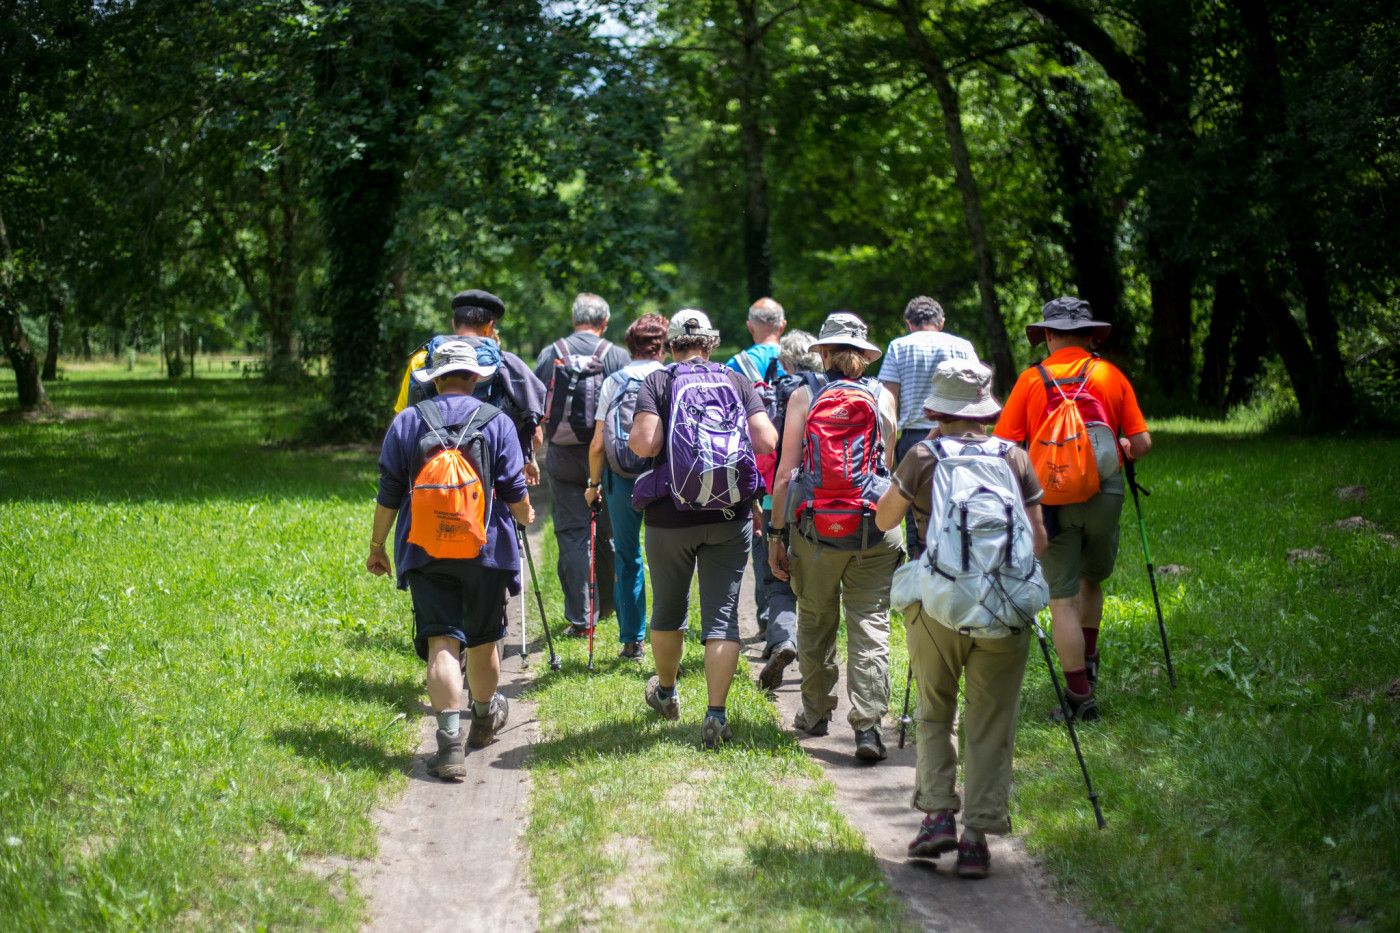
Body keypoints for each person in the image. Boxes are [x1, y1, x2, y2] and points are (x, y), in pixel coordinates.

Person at [874, 359, 1047, 879]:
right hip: (1007, 610)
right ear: (985, 410)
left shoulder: (924, 455)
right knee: (991, 722)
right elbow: (1038, 540)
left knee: (934, 711)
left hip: (939, 606)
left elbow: (884, 518)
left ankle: (937, 818)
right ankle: (976, 838)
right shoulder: (1014, 456)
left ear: (933, 410)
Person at [367, 338, 536, 779]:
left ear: (435, 378)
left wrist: (377, 546)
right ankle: (482, 716)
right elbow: (515, 491)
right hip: (486, 549)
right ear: (476, 378)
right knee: (483, 640)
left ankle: (448, 747)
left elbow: (388, 491)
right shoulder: (497, 421)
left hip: (424, 548)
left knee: (442, 641)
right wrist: (527, 515)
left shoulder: (407, 422)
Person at [993, 297, 1151, 721]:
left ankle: (1080, 698)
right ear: (1090, 336)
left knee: (1060, 600)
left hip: (1052, 500)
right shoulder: (1109, 375)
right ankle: (1091, 656)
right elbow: (1141, 444)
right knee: (1091, 580)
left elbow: (1004, 448)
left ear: (1047, 335)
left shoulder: (1030, 381)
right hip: (1105, 493)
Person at [628, 309, 778, 748]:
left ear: (672, 345)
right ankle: (715, 716)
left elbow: (645, 443)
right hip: (728, 515)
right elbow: (766, 440)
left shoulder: (658, 381)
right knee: (722, 618)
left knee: (668, 609)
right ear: (710, 344)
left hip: (668, 517)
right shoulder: (735, 380)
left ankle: (668, 692)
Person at [769, 312, 902, 763]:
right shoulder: (882, 396)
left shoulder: (805, 394)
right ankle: (867, 727)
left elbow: (787, 473)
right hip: (872, 527)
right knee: (870, 625)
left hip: (817, 531)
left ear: (821, 352)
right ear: (864, 354)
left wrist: (776, 532)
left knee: (815, 619)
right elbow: (886, 466)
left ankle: (815, 713)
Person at [534, 293, 631, 637]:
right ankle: (612, 607)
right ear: (604, 323)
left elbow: (534, 406)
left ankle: (581, 617)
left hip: (561, 457)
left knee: (574, 535)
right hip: (605, 457)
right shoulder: (616, 355)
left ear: (574, 319)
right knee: (608, 533)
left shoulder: (550, 354)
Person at [393, 289, 548, 486]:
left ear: (453, 323)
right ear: (489, 327)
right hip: (489, 483)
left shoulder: (422, 361)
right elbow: (536, 437)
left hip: (431, 477)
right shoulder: (506, 366)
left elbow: (402, 418)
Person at [584, 313, 669, 660]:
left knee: (628, 554)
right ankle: (667, 628)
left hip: (621, 478)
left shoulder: (614, 381)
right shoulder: (669, 377)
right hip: (665, 476)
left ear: (629, 346)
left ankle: (633, 639)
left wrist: (593, 485)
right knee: (668, 557)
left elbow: (597, 444)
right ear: (663, 346)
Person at [878, 296, 977, 560]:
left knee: (916, 512)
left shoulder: (899, 347)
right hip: (960, 435)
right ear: (941, 322)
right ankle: (963, 562)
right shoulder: (963, 346)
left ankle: (922, 572)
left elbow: (888, 403)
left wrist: (887, 453)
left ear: (909, 323)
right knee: (964, 503)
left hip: (915, 440)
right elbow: (977, 395)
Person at [754, 329, 822, 691]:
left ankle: (781, 639)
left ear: (783, 361)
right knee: (816, 579)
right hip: (820, 499)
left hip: (774, 494)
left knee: (775, 574)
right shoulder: (827, 391)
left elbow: (764, 453)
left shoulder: (773, 392)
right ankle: (814, 657)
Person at [726, 297, 788, 639]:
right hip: (798, 470)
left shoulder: (736, 364)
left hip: (758, 471)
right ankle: (796, 616)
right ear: (782, 325)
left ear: (751, 326)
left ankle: (767, 617)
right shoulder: (797, 357)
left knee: (763, 538)